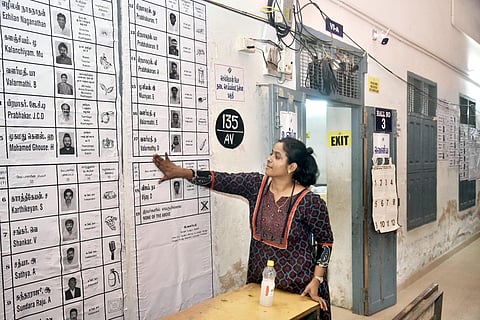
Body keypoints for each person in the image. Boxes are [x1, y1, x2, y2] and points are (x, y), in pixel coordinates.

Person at [153, 137, 334, 319]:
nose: (269, 158)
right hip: (260, 284)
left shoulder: (310, 202)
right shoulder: (256, 185)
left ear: (291, 167)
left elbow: (326, 242)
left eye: (277, 156)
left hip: (300, 289)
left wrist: (317, 279)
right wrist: (182, 172)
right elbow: (222, 180)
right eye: (271, 153)